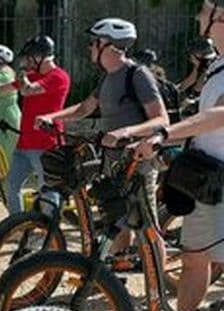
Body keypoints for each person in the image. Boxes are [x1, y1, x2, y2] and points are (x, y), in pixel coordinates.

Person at [132, 0, 224, 311]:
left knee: (199, 257)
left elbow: (219, 115)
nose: (198, 16)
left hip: (219, 178)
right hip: (207, 176)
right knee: (195, 258)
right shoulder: (217, 64)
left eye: (205, 11)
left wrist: (166, 132)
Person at [36, 18, 169, 259]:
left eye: (93, 42)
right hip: (113, 161)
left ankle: (157, 292)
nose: (89, 48)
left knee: (147, 231)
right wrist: (51, 116)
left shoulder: (137, 75)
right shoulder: (108, 77)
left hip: (138, 162)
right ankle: (112, 277)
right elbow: (84, 108)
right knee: (117, 221)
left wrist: (125, 132)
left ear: (108, 45)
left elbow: (161, 120)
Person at [0, 35, 70, 215]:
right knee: (11, 185)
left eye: (30, 57)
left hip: (46, 144)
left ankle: (50, 233)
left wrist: (22, 76)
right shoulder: (31, 75)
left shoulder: (59, 76)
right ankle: (16, 224)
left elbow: (28, 91)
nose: (26, 61)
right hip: (25, 143)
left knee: (47, 190)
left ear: (40, 56)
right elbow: (6, 88)